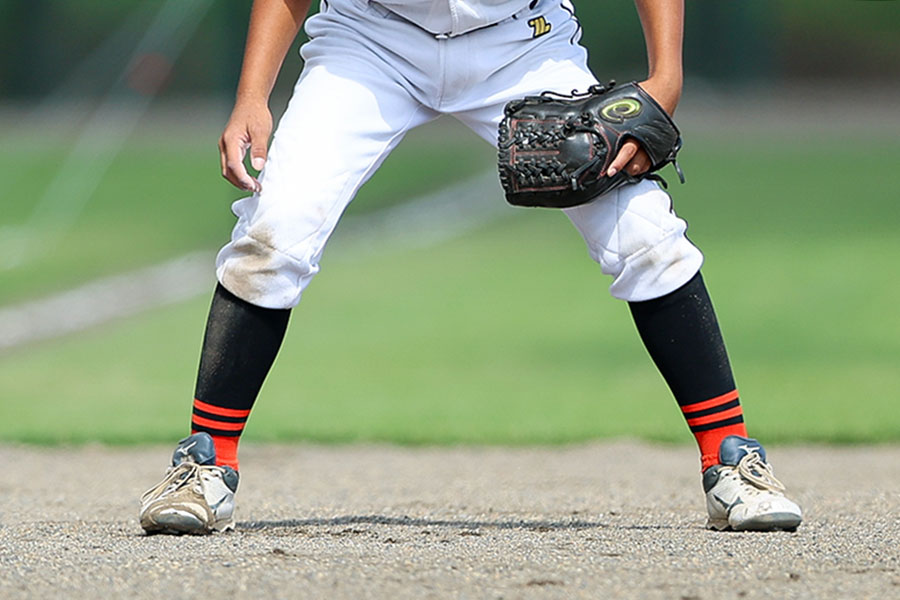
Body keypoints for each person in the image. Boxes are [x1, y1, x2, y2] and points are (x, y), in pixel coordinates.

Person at [139, 0, 802, 535]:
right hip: (369, 39)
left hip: (524, 41)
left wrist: (667, 74)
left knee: (646, 235)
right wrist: (253, 94)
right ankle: (205, 464)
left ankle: (731, 460)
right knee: (274, 234)